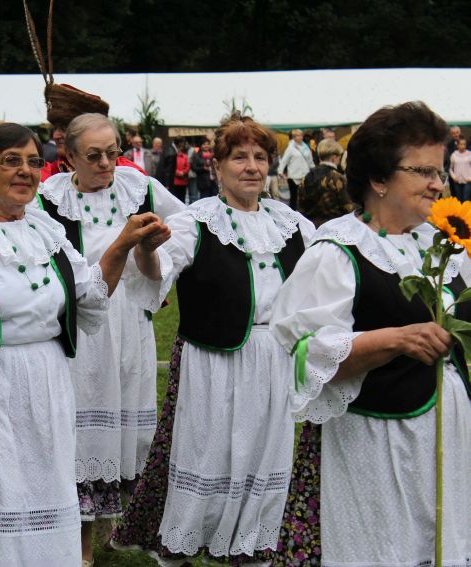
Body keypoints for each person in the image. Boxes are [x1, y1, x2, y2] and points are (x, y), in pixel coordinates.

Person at [0, 123, 170, 566]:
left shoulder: (46, 230)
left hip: (48, 384)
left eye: (33, 161)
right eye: (11, 161)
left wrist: (123, 244)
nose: (26, 171)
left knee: (49, 495)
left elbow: (89, 295)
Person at [270, 101, 471, 566]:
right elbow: (304, 354)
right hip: (379, 444)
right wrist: (394, 340)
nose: (438, 184)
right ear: (379, 179)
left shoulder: (441, 243)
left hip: (447, 437)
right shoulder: (338, 251)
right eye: (423, 171)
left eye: (439, 171)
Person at [112, 114, 314, 564]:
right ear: (217, 166)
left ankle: (252, 543)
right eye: (239, 157)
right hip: (213, 360)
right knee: (208, 452)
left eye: (260, 157)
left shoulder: (293, 224)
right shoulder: (196, 221)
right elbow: (157, 274)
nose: (251, 167)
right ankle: (188, 540)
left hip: (273, 359)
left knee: (264, 453)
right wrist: (146, 250)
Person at [37, 113, 187, 565]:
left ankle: (113, 525)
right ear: (69, 157)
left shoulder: (139, 188)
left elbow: (187, 226)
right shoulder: (50, 199)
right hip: (82, 324)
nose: (106, 163)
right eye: (94, 155)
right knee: (81, 430)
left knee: (125, 425)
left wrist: (159, 264)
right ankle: (80, 540)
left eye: (112, 153)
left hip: (130, 322)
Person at [298, 138, 354, 226]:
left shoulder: (306, 177)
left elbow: (300, 206)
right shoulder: (336, 177)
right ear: (333, 158)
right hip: (334, 226)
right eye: (339, 157)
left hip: (311, 227)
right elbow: (347, 207)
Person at [278, 129, 315, 210]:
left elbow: (310, 161)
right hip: (293, 176)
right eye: (297, 136)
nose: (300, 137)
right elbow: (284, 161)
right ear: (294, 137)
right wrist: (280, 171)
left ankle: (304, 212)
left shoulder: (306, 147)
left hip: (305, 175)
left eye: (301, 135)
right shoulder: (290, 148)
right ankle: (293, 213)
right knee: (294, 197)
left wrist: (314, 171)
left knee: (305, 196)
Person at [449, 135, 471, 201]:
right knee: (459, 199)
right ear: (457, 145)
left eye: (464, 144)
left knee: (465, 199)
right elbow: (450, 168)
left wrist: (470, 178)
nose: (463, 146)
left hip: (467, 181)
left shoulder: (469, 154)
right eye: (461, 144)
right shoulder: (453, 155)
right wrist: (454, 177)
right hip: (457, 181)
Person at [444, 125, 461, 197]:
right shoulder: (448, 145)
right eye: (453, 133)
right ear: (451, 134)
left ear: (460, 132)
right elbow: (447, 158)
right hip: (452, 172)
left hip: (465, 172)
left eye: (457, 132)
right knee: (454, 192)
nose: (456, 135)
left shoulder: (466, 143)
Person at [172, 139, 190, 203]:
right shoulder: (173, 156)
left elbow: (188, 166)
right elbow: (171, 167)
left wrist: (183, 172)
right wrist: (177, 172)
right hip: (175, 181)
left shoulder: (185, 156)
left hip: (183, 181)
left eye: (180, 147)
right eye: (178, 147)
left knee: (183, 198)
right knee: (175, 199)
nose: (179, 149)